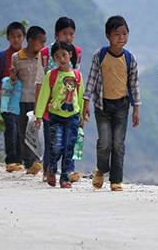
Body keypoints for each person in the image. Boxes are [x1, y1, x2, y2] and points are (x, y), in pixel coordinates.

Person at [83, 15, 141, 192]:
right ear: (108, 36)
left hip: (122, 106)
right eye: (117, 34)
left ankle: (116, 180)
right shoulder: (100, 56)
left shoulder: (130, 59)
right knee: (104, 141)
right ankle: (101, 169)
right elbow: (91, 80)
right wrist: (86, 102)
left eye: (125, 33)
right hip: (102, 106)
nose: (121, 38)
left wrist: (136, 109)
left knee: (118, 143)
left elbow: (134, 85)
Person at [36, 41, 85, 188]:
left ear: (70, 54)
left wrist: (82, 115)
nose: (62, 59)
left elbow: (80, 95)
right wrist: (39, 115)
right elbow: (44, 95)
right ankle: (51, 168)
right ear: (53, 59)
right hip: (55, 116)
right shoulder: (51, 75)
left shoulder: (77, 75)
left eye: (64, 55)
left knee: (69, 146)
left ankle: (65, 178)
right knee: (56, 146)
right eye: (57, 56)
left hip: (73, 116)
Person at [10, 25, 47, 175]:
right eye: (41, 42)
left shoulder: (43, 58)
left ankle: (37, 160)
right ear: (31, 41)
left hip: (37, 100)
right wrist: (12, 76)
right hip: (21, 100)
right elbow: (13, 81)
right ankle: (29, 162)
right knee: (23, 131)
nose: (43, 45)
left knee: (37, 131)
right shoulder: (17, 57)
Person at [0, 22, 25, 171]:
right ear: (7, 38)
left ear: (24, 37)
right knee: (11, 127)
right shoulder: (3, 56)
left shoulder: (27, 55)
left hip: (22, 98)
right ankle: (11, 159)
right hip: (6, 98)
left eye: (19, 36)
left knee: (21, 128)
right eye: (13, 37)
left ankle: (21, 160)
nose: (16, 40)